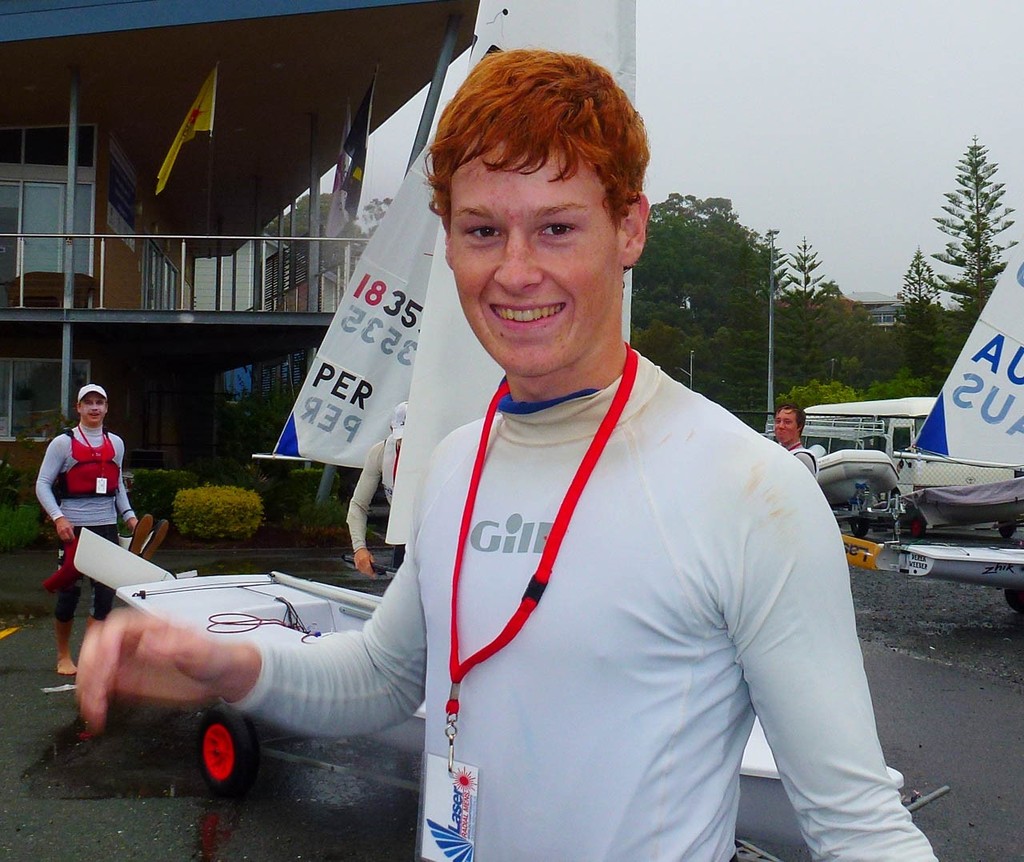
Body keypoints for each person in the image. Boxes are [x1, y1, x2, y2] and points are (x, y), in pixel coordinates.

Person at [76, 50, 935, 860]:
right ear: (445, 238)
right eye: (483, 231)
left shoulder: (750, 489)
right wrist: (221, 663)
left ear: (629, 229)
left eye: (557, 228)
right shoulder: (454, 463)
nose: (516, 272)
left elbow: (858, 825)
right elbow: (384, 674)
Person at [36, 383, 137, 675]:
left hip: (106, 528)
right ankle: (64, 656)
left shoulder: (116, 443)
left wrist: (128, 515)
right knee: (68, 596)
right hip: (73, 530)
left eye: (100, 403)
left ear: (106, 408)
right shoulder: (63, 443)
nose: (94, 408)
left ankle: (92, 657)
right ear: (78, 408)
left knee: (104, 598)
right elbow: (42, 483)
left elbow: (116, 485)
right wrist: (58, 517)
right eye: (88, 403)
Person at [346, 401, 407, 576]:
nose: (405, 444)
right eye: (401, 438)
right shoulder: (380, 453)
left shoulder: (436, 452)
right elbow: (358, 505)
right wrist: (359, 548)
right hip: (402, 536)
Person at [774, 402, 819, 476]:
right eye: (778, 421)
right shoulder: (776, 453)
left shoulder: (802, 457)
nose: (781, 426)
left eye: (787, 422)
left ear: (799, 426)